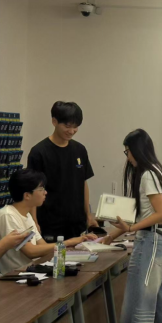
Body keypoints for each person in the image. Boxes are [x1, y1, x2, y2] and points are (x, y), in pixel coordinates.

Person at [104, 129, 162, 323]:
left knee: (140, 305)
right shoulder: (156, 170)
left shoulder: (147, 175)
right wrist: (111, 236)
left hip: (152, 242)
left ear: (136, 150)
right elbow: (142, 213)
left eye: (127, 151)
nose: (127, 157)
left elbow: (161, 213)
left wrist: (131, 229)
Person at [0, 169, 96, 275]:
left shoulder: (27, 215)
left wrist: (72, 247)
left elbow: (42, 246)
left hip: (34, 271)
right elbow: (31, 251)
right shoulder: (8, 215)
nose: (45, 192)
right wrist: (68, 242)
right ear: (27, 195)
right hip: (17, 275)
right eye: (41, 189)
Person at [27, 101, 98, 242]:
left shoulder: (80, 150)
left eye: (75, 127)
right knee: (54, 256)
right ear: (54, 121)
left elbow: (83, 183)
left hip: (77, 224)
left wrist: (88, 215)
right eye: (67, 126)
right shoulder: (39, 152)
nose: (71, 131)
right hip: (50, 224)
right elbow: (33, 189)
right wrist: (34, 221)